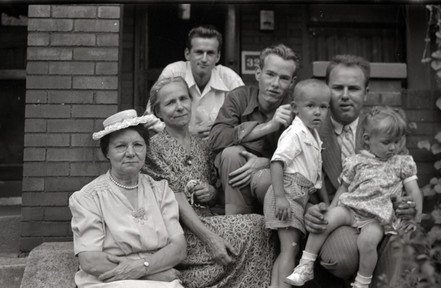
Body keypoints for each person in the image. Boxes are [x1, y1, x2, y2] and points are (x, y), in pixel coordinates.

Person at [142, 76, 277, 288]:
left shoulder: (203, 147)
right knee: (256, 226)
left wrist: (212, 192)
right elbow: (170, 198)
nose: (179, 107)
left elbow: (218, 192)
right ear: (158, 112)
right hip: (179, 232)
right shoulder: (152, 149)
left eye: (183, 99)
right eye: (170, 103)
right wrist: (211, 239)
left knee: (261, 227)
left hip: (210, 221)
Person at [303, 54, 418, 288]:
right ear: (327, 90)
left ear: (366, 93)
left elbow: (403, 180)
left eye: (353, 88)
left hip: (381, 216)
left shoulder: (382, 129)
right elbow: (292, 179)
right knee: (342, 257)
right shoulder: (308, 130)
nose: (345, 96)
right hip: (338, 217)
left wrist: (408, 206)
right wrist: (307, 209)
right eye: (337, 88)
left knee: (408, 243)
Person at [286, 106, 423, 287]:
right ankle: (305, 265)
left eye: (397, 142)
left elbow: (414, 191)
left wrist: (416, 218)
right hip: (351, 209)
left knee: (367, 242)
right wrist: (332, 209)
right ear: (368, 140)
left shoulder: (401, 162)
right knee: (326, 220)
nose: (393, 147)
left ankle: (361, 282)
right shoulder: (357, 161)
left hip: (376, 217)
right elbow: (344, 188)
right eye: (387, 142)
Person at [69, 109, 186, 288]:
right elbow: (90, 261)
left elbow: (178, 248)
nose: (130, 153)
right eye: (121, 146)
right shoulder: (88, 198)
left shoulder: (161, 190)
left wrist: (144, 267)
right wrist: (149, 275)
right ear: (107, 152)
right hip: (109, 282)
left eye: (138, 145)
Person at [209, 44, 299, 215]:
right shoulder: (239, 97)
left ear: (292, 83)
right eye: (270, 74)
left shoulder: (295, 108)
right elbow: (216, 138)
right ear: (258, 73)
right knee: (231, 154)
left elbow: (302, 159)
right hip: (234, 184)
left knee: (266, 179)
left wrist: (265, 162)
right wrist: (269, 127)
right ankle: (235, 224)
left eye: (284, 78)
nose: (275, 84)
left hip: (274, 182)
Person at [263, 79, 331, 288]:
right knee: (290, 249)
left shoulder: (313, 134)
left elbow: (317, 175)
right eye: (310, 106)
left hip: (299, 194)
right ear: (295, 108)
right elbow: (276, 163)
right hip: (287, 192)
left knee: (288, 249)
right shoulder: (295, 133)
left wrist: (328, 204)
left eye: (323, 107)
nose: (317, 112)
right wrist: (280, 197)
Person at [145, 25, 244, 138]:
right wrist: (186, 133)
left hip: (217, 148)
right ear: (187, 54)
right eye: (199, 52)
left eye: (210, 53)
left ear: (218, 56)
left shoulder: (230, 79)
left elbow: (246, 121)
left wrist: (223, 131)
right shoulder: (173, 73)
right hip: (177, 145)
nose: (204, 59)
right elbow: (149, 118)